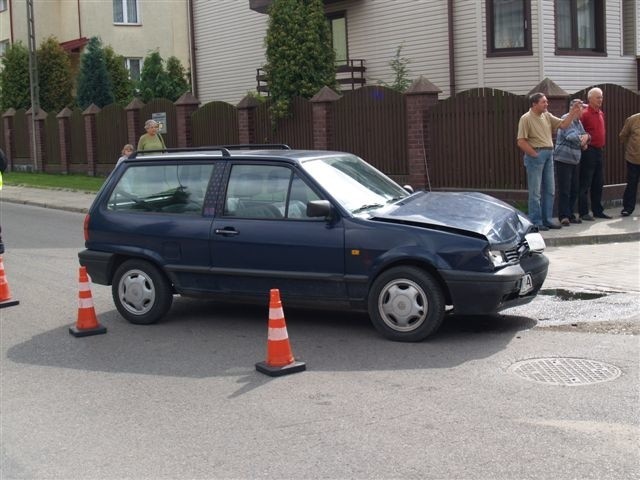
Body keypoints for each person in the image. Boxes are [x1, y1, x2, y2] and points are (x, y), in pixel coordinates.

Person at [517, 92, 583, 231]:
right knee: (535, 192)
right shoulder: (526, 118)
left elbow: (563, 124)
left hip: (549, 154)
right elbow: (521, 141)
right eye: (543, 102)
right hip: (536, 154)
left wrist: (572, 112)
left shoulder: (546, 115)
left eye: (546, 101)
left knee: (550, 190)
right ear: (534, 104)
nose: (547, 104)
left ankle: (547, 220)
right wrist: (534, 154)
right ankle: (536, 221)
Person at [553, 99, 590, 226]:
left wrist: (585, 138)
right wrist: (583, 140)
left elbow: (586, 136)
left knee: (574, 188)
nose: (583, 111)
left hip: (574, 160)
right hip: (563, 159)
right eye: (581, 108)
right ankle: (563, 216)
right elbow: (572, 137)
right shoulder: (566, 118)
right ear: (574, 109)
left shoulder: (578, 122)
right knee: (565, 189)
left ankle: (570, 214)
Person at [578, 87, 610, 220]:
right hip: (588, 150)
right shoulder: (584, 114)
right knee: (586, 182)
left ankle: (597, 210)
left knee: (598, 182)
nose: (600, 100)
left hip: (599, 150)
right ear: (590, 99)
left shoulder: (600, 113)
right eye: (598, 97)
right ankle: (584, 212)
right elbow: (579, 131)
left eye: (601, 97)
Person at [619, 112, 640, 217]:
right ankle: (628, 208)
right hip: (633, 159)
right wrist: (631, 149)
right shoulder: (633, 119)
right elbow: (623, 136)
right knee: (632, 183)